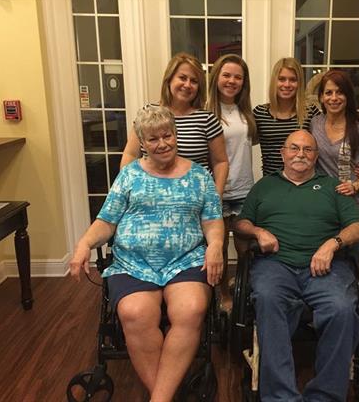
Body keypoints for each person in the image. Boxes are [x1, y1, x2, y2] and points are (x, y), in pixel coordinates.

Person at [70, 105, 224, 402]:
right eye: (153, 139)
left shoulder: (200, 176)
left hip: (186, 260)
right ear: (142, 142)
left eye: (167, 135)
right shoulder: (129, 175)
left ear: (175, 134)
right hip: (134, 263)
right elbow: (106, 222)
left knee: (191, 309)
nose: (162, 143)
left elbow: (212, 221)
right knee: (135, 313)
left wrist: (216, 245)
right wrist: (83, 244)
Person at [235, 130, 359, 402]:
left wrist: (332, 244)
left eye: (308, 150)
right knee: (268, 299)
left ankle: (325, 396)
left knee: (341, 308)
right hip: (275, 264)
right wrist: (258, 232)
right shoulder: (265, 186)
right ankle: (281, 396)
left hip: (326, 266)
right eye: (294, 148)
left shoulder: (333, 187)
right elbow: (241, 223)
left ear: (316, 156)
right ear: (283, 154)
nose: (300, 154)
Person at [120, 52, 229, 195]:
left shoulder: (207, 119)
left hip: (195, 197)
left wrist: (216, 196)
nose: (187, 85)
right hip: (150, 195)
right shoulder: (148, 114)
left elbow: (220, 162)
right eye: (182, 78)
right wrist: (125, 191)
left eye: (194, 81)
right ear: (169, 79)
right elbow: (131, 154)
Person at [310, 70, 359, 261]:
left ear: (348, 96)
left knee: (351, 262)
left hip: (356, 206)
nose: (334, 98)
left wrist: (357, 184)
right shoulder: (315, 124)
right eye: (328, 92)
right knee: (325, 259)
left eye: (340, 92)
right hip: (325, 205)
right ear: (321, 97)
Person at [207, 54, 256, 310]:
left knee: (244, 245)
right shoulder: (205, 111)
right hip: (218, 190)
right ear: (216, 77)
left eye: (238, 77)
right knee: (221, 247)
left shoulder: (246, 111)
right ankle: (224, 295)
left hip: (245, 188)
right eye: (226, 75)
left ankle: (244, 288)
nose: (232, 81)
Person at [254, 57, 320, 175]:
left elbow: (325, 145)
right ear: (274, 81)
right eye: (282, 79)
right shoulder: (260, 113)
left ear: (299, 83)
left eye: (293, 80)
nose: (287, 84)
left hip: (304, 180)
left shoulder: (310, 112)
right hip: (271, 180)